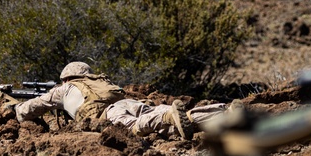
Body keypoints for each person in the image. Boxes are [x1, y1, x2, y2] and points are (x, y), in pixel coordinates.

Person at [12, 61, 228, 139]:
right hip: (129, 103)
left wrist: (14, 108)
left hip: (110, 114)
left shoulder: (64, 88)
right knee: (168, 125)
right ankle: (222, 113)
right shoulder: (99, 81)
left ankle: (169, 115)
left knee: (136, 128)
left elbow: (30, 108)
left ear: (66, 78)